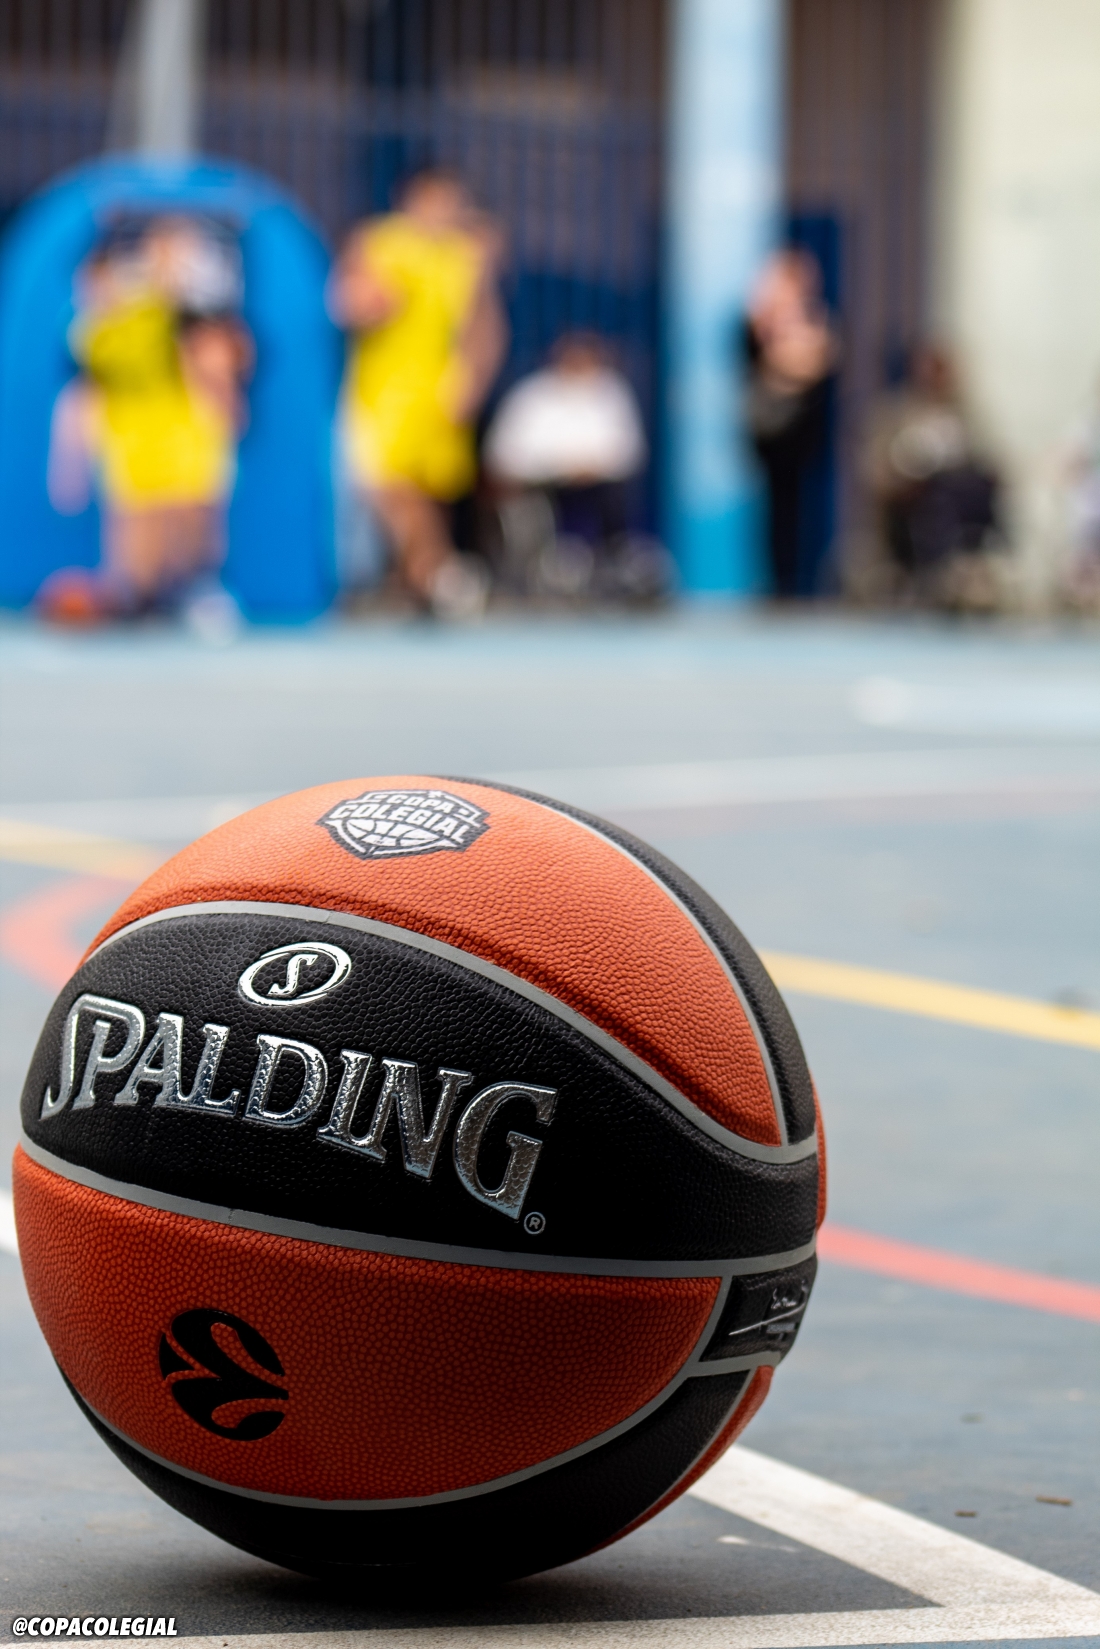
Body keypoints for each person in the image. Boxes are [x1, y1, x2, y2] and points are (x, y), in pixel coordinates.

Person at [42, 215, 251, 632]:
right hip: (131, 443)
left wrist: (222, 400)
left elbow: (213, 356)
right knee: (137, 544)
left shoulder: (169, 310)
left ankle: (201, 588)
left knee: (193, 522)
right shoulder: (93, 334)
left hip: (185, 434)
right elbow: (85, 394)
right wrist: (70, 461)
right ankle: (137, 596)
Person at [328, 169, 507, 618]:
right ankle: (438, 573)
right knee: (385, 485)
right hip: (383, 394)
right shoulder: (381, 242)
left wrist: (475, 380)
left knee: (425, 492)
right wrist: (371, 299)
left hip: (439, 393)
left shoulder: (463, 257)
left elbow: (484, 326)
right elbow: (347, 302)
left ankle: (418, 581)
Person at [483, 332, 667, 601]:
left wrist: (590, 467)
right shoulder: (531, 396)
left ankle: (608, 563)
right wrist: (556, 467)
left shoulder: (611, 393)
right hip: (542, 488)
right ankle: (544, 566)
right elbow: (504, 454)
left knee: (609, 500)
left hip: (597, 488)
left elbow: (629, 451)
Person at [862, 344, 1000, 601]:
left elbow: (984, 458)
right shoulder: (896, 414)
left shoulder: (963, 416)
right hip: (913, 502)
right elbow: (878, 468)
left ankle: (970, 564)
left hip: (956, 498)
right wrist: (903, 479)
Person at [743, 249, 839, 600]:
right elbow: (763, 364)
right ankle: (777, 582)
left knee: (804, 509)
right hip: (772, 431)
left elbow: (820, 364)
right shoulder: (759, 323)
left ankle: (804, 581)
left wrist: (793, 364)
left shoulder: (816, 318)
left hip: (804, 429)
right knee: (774, 509)